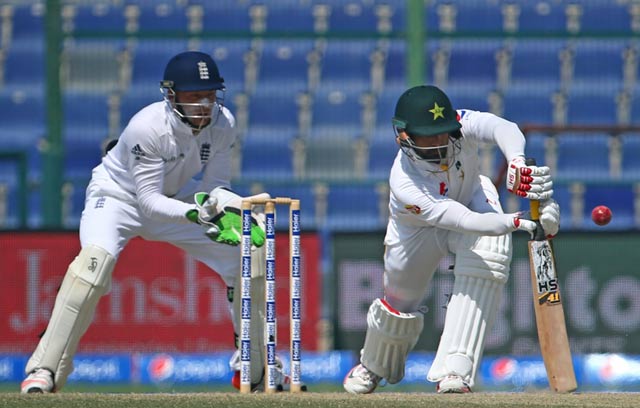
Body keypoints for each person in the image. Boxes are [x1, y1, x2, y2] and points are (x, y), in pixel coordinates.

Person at [20, 51, 293, 393]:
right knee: (93, 266)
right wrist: (199, 212)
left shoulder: (224, 124)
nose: (204, 105)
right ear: (171, 94)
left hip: (179, 197)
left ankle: (253, 369)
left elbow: (214, 188)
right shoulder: (147, 127)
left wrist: (232, 208)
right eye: (194, 96)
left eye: (210, 95)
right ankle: (44, 370)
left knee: (249, 251)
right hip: (119, 199)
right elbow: (148, 203)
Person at [343, 85, 560, 394]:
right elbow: (464, 221)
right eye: (428, 135)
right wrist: (520, 221)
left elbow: (504, 127)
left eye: (442, 132)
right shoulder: (405, 182)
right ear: (404, 136)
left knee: (491, 249)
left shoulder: (460, 124)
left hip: (472, 196)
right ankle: (374, 365)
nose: (439, 141)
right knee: (401, 302)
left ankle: (456, 369)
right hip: (417, 232)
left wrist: (516, 162)